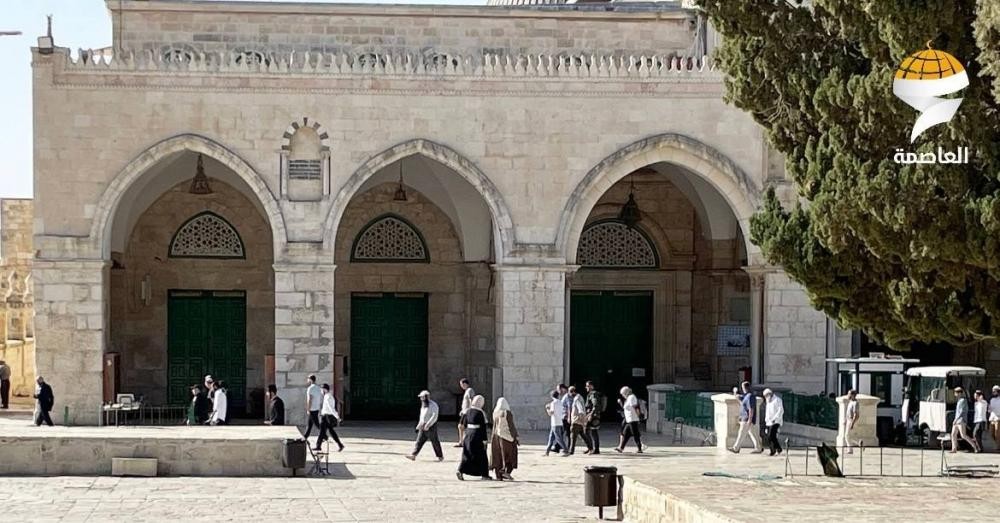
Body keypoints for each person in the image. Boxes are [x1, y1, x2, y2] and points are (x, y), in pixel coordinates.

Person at [457, 394, 490, 480]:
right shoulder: (480, 413)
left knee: (467, 455)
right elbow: (483, 428)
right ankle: (484, 475)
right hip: (477, 436)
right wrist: (485, 440)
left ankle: (460, 470)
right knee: (482, 455)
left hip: (468, 435)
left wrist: (462, 437)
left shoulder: (467, 411)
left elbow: (462, 425)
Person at [408, 390, 443, 461]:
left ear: (426, 397)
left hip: (431, 426)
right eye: (421, 398)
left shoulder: (433, 405)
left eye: (422, 397)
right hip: (423, 425)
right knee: (419, 441)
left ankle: (440, 456)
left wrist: (428, 424)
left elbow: (434, 416)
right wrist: (419, 425)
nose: (421, 399)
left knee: (435, 441)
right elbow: (422, 416)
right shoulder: (423, 405)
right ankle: (413, 455)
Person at [490, 397, 520, 480]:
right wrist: (516, 436)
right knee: (510, 455)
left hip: (496, 437)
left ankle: (498, 475)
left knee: (498, 455)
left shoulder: (495, 413)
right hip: (507, 437)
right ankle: (506, 472)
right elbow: (511, 426)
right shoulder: (507, 413)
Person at [729, 381, 762, 454]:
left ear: (745, 388)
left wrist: (750, 419)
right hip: (745, 418)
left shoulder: (750, 396)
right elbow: (740, 399)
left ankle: (736, 448)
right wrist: (735, 393)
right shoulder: (746, 396)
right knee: (753, 433)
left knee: (741, 433)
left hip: (747, 418)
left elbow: (751, 409)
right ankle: (758, 448)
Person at [615, 386, 645, 453]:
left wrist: (639, 416)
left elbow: (635, 407)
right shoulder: (628, 398)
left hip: (633, 419)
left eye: (623, 394)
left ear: (626, 393)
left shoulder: (632, 397)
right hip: (629, 419)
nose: (622, 396)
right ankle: (621, 448)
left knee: (635, 434)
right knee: (626, 433)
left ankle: (640, 448)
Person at [951, 387, 981, 453]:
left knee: (963, 435)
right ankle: (954, 448)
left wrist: (956, 419)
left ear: (959, 393)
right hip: (957, 420)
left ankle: (974, 446)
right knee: (953, 434)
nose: (955, 394)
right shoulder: (959, 401)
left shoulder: (963, 401)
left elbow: (962, 412)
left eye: (956, 393)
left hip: (961, 420)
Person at [317, 383, 344, 452]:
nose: (321, 391)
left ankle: (319, 445)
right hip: (325, 416)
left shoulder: (328, 397)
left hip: (327, 417)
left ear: (325, 390)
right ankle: (339, 445)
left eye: (322, 389)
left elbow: (331, 408)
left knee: (324, 431)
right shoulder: (326, 396)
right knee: (328, 431)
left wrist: (337, 417)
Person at [568, 386, 593, 455]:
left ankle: (571, 451)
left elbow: (581, 410)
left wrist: (582, 420)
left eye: (570, 392)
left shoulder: (577, 399)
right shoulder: (579, 397)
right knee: (583, 436)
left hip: (576, 420)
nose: (569, 394)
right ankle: (591, 448)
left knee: (573, 436)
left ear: (573, 392)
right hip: (579, 420)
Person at [545, 390, 569, 457]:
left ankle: (566, 450)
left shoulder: (553, 403)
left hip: (555, 422)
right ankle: (547, 452)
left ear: (551, 396)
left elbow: (551, 413)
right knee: (551, 437)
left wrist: (547, 409)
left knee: (558, 438)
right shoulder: (560, 402)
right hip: (559, 422)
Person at [584, 381, 606, 454]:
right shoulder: (591, 394)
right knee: (592, 432)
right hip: (593, 415)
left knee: (589, 431)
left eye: (587, 386)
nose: (586, 387)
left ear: (592, 386)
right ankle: (592, 448)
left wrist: (591, 415)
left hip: (593, 416)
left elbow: (595, 405)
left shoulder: (593, 394)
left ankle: (593, 448)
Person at [763, 388, 784, 456]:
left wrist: (775, 418)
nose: (766, 397)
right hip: (769, 422)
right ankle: (777, 449)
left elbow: (780, 410)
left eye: (766, 395)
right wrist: (766, 421)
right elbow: (767, 412)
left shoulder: (777, 400)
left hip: (776, 421)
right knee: (770, 437)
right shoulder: (768, 401)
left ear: (770, 394)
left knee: (771, 436)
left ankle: (773, 450)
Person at [456, 378, 474, 448]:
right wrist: (462, 410)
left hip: (467, 412)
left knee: (461, 426)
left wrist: (471, 409)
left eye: (461, 384)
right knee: (461, 426)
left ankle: (462, 442)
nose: (461, 386)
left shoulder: (470, 390)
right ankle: (462, 441)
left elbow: (471, 399)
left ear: (465, 384)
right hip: (464, 411)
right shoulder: (467, 391)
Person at [304, 374, 323, 440]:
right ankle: (305, 437)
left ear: (310, 380)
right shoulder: (318, 388)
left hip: (312, 409)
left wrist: (308, 409)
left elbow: (310, 399)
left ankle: (324, 436)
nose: (307, 380)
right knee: (310, 424)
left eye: (308, 379)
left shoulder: (310, 388)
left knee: (316, 424)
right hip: (316, 408)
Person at [842, 389, 860, 453]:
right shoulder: (850, 402)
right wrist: (845, 420)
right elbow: (848, 413)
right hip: (849, 420)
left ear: (852, 395)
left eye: (849, 394)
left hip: (851, 420)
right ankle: (858, 443)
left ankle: (850, 449)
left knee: (847, 435)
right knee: (849, 435)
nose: (848, 395)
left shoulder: (855, 403)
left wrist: (852, 423)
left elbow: (856, 414)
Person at [559, 383, 572, 451]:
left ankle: (567, 447)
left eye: (559, 389)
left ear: (563, 388)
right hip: (564, 416)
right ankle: (559, 446)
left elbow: (569, 407)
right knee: (564, 432)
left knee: (567, 433)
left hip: (566, 417)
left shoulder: (567, 396)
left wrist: (569, 417)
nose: (559, 391)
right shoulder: (566, 395)